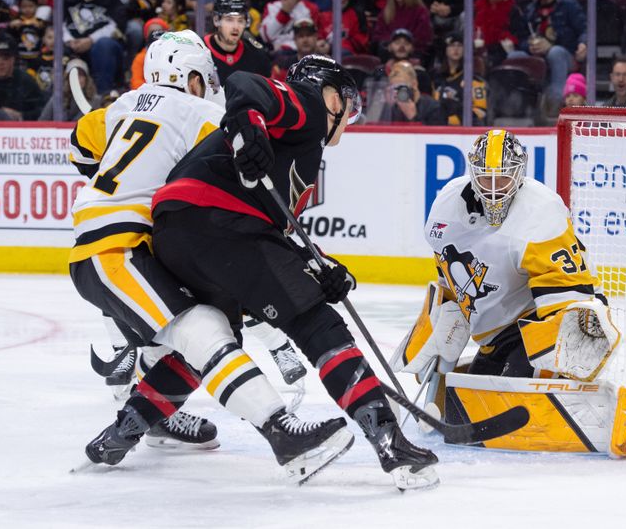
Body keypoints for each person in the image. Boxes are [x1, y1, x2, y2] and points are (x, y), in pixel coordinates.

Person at [149, 55, 439, 490]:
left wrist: (323, 267)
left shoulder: (292, 146)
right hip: (219, 224)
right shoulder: (307, 107)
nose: (349, 115)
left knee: (215, 334)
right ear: (329, 95)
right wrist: (248, 125)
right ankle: (391, 444)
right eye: (347, 101)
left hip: (178, 233)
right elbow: (245, 82)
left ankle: (123, 430)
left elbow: (276, 235)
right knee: (317, 324)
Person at [70, 32, 352, 481]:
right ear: (192, 78)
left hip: (114, 244)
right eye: (204, 79)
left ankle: (123, 432)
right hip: (120, 248)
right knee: (204, 330)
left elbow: (80, 145)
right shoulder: (201, 112)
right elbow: (233, 188)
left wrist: (116, 176)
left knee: (202, 332)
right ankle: (282, 431)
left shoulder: (123, 105)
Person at [391, 129, 626, 459]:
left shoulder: (540, 211)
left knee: (520, 396)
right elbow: (449, 281)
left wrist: (557, 359)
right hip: (496, 333)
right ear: (472, 174)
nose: (493, 189)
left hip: (544, 319)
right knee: (474, 398)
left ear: (519, 174)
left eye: (503, 179)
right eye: (486, 178)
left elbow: (567, 295)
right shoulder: (446, 205)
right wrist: (442, 337)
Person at [512, 0, 587, 114]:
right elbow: (521, 38)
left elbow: (585, 30)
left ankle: (555, 105)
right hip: (539, 57)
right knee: (515, 56)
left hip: (566, 55)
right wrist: (529, 46)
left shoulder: (568, 4)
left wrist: (583, 43)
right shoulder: (530, 9)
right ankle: (515, 106)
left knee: (555, 52)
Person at [63, 0, 126, 94]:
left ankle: (103, 94)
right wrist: (69, 40)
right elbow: (58, 23)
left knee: (104, 45)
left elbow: (118, 24)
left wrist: (91, 40)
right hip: (72, 45)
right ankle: (63, 97)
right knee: (58, 49)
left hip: (101, 48)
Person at [206, 0, 272, 84]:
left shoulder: (257, 55)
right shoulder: (199, 49)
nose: (235, 27)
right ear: (216, 20)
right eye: (229, 20)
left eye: (240, 20)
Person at [432, 32, 487, 126]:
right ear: (445, 50)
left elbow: (481, 111)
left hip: (463, 128)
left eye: (460, 45)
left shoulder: (473, 79)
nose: (456, 49)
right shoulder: (436, 79)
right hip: (438, 128)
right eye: (452, 45)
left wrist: (452, 119)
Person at [379, 60, 445, 125]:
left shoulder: (432, 107)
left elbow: (436, 131)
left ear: (414, 84)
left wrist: (413, 117)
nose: (397, 93)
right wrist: (387, 108)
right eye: (394, 88)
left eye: (401, 87)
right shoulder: (391, 107)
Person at [9, 0, 46, 72]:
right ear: (19, 7)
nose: (27, 9)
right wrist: (11, 27)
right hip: (21, 58)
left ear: (36, 6)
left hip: (36, 57)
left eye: (31, 6)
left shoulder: (40, 22)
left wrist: (41, 27)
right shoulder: (17, 22)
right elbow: (12, 38)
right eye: (24, 7)